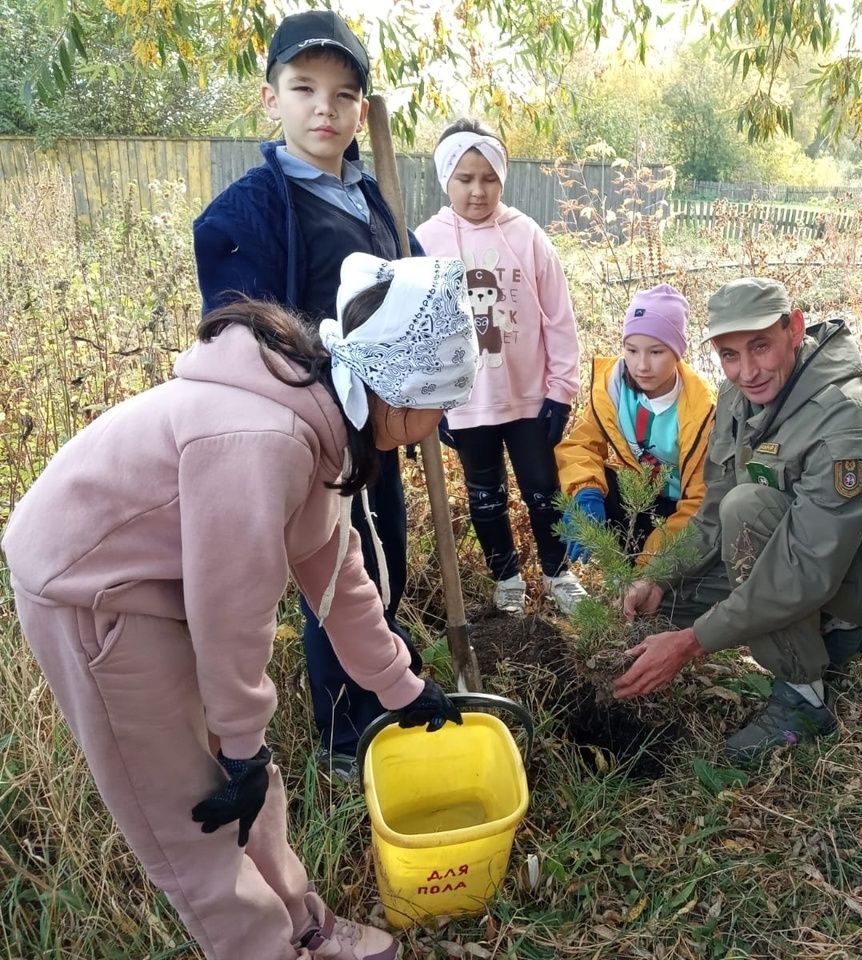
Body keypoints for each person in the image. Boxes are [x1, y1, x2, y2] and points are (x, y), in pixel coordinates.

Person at [2, 254, 482, 960]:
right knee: (191, 816)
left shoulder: (320, 416)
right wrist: (241, 744)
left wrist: (401, 688)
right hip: (89, 593)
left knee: (252, 785)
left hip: (155, 587)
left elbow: (335, 572)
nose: (441, 424)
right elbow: (233, 612)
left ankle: (304, 926)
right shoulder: (265, 439)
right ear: (401, 392)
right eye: (443, 403)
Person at [192, 10, 425, 780]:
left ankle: (384, 681)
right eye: (304, 89)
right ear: (271, 99)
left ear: (363, 108)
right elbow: (239, 335)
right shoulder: (248, 212)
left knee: (385, 552)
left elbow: (412, 279)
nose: (324, 108)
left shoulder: (371, 194)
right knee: (335, 572)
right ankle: (339, 735)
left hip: (379, 423)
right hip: (314, 432)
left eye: (344, 94)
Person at [614, 277, 862, 764]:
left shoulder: (843, 418)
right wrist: (659, 576)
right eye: (730, 354)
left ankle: (805, 695)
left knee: (747, 509)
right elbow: (711, 514)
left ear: (795, 329)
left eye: (760, 346)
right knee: (664, 602)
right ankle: (832, 634)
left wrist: (692, 643)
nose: (747, 371)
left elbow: (805, 570)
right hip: (800, 545)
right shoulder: (737, 397)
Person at [414, 118, 584, 616]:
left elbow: (559, 316)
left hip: (529, 397)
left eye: (488, 178)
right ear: (446, 178)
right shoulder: (425, 242)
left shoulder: (526, 236)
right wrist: (430, 401)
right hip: (466, 404)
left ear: (502, 179)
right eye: (464, 178)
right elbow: (418, 330)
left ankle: (558, 572)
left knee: (542, 489)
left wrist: (562, 389)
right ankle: (506, 577)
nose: (477, 190)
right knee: (484, 494)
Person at [555, 284, 715, 564]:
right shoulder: (613, 389)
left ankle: (645, 577)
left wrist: (649, 565)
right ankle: (616, 569)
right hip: (637, 495)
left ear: (678, 353)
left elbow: (700, 500)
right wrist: (586, 492)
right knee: (577, 481)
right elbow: (581, 446)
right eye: (631, 350)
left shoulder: (701, 411)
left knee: (667, 585)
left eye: (656, 352)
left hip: (679, 509)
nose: (641, 365)